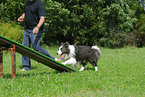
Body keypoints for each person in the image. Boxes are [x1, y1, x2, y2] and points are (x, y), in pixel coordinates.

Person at [18, 0, 58, 71]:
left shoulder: (40, 3)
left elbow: (42, 18)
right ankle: (26, 67)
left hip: (36, 29)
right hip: (27, 29)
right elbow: (25, 12)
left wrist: (37, 27)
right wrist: (22, 17)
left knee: (36, 47)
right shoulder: (27, 2)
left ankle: (52, 59)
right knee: (24, 47)